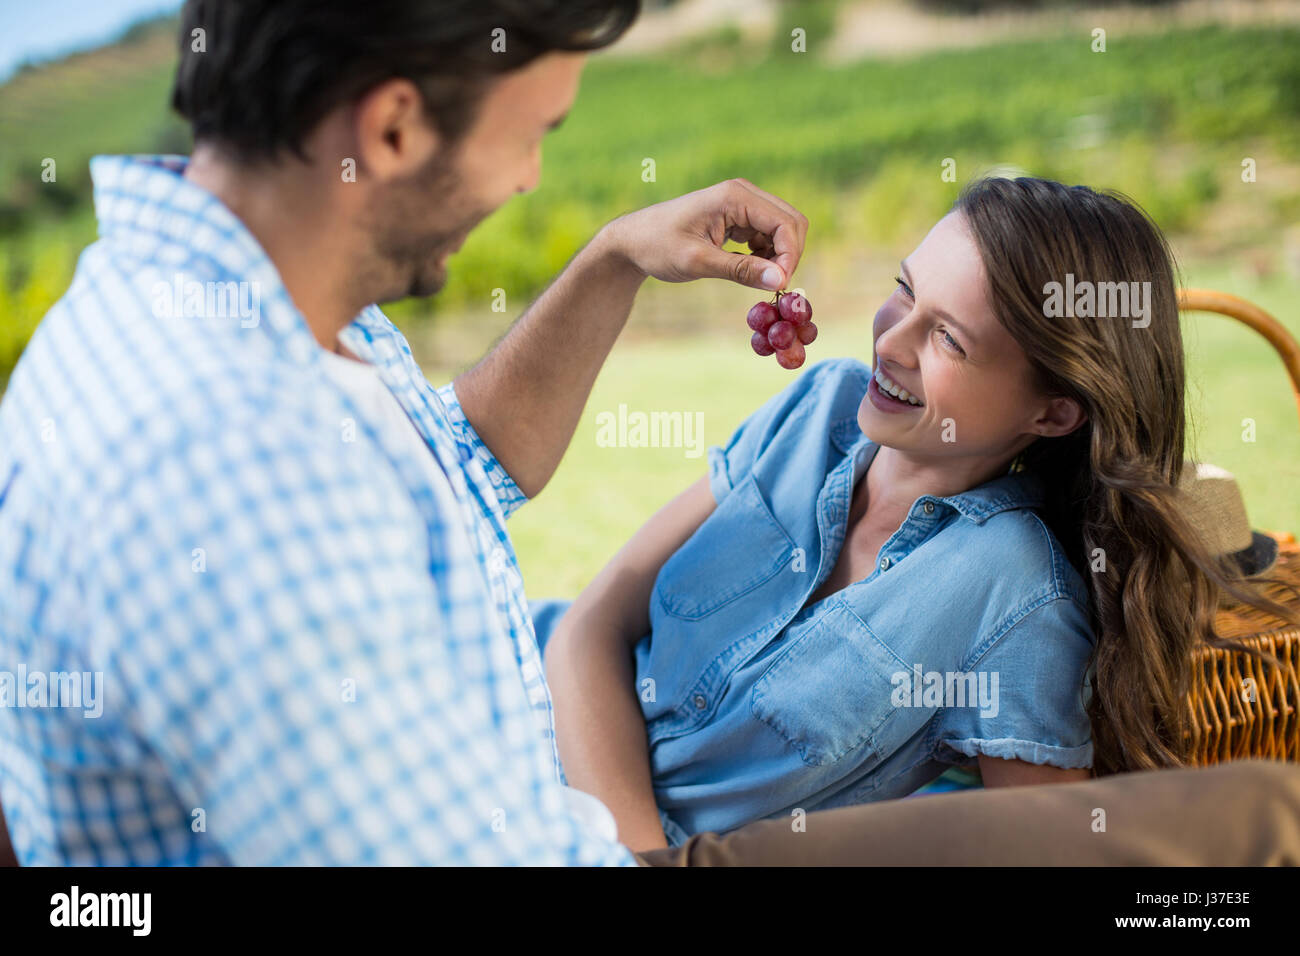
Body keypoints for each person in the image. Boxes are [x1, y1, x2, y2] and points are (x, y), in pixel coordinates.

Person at [1, 0, 1297, 867]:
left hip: (589, 791)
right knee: (1260, 824)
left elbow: (461, 471)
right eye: (539, 138)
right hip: (601, 836)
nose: (531, 184)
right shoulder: (241, 476)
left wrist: (613, 261)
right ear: (392, 128)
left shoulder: (263, 320)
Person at [534, 177, 1300, 851]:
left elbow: (1045, 851)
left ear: (1055, 411)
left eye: (948, 339)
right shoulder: (819, 406)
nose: (889, 341)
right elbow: (590, 627)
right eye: (905, 290)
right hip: (520, 703)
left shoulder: (1014, 593)